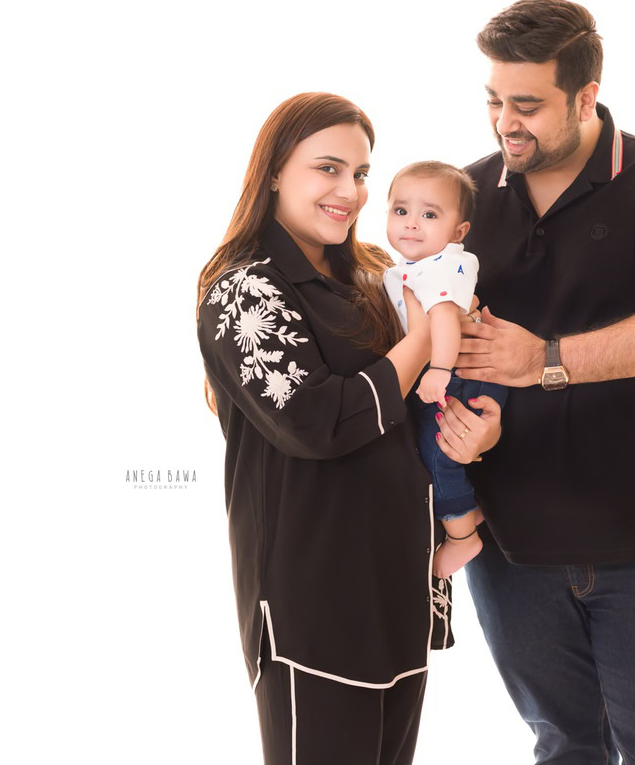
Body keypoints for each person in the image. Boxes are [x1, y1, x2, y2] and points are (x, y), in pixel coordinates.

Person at [194, 92, 502, 765]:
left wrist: (482, 430)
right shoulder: (245, 291)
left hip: (399, 592)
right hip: (315, 608)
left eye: (361, 174)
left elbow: (439, 397)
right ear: (275, 169)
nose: (350, 192)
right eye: (327, 169)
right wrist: (426, 333)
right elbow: (319, 422)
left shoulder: (376, 275)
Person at [456, 0, 635, 763]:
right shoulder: (468, 197)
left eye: (529, 105)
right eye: (495, 101)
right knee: (562, 744)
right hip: (511, 549)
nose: (507, 122)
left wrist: (540, 358)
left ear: (586, 94)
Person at [381, 161, 509, 579]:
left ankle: (461, 538)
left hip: (459, 373)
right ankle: (464, 514)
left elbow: (444, 319)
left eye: (429, 215)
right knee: (429, 448)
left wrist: (438, 368)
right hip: (452, 368)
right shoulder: (416, 266)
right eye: (401, 211)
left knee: (440, 453)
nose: (412, 224)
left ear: (458, 232)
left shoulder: (442, 265)